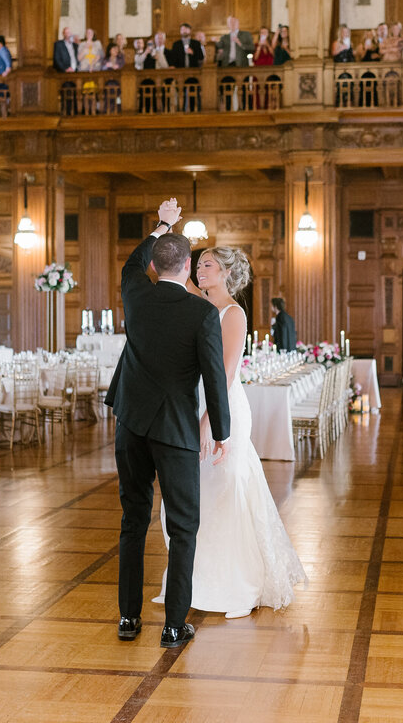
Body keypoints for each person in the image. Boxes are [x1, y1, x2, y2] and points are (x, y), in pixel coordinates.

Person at [152, 247, 306, 620]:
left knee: (224, 489)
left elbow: (226, 373)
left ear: (225, 274)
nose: (199, 270)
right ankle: (196, 581)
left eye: (207, 265)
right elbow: (171, 272)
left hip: (224, 411)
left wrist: (209, 423)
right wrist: (166, 228)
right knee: (196, 495)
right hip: (197, 406)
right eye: (198, 264)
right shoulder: (200, 305)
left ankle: (234, 583)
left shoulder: (232, 314)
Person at [105, 198, 231, 650]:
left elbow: (132, 261)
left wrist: (161, 225)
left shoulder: (135, 292)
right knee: (183, 527)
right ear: (188, 266)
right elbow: (214, 377)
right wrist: (221, 431)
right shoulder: (201, 313)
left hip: (131, 426)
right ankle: (174, 625)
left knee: (132, 520)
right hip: (176, 430)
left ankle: (127, 618)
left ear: (156, 265)